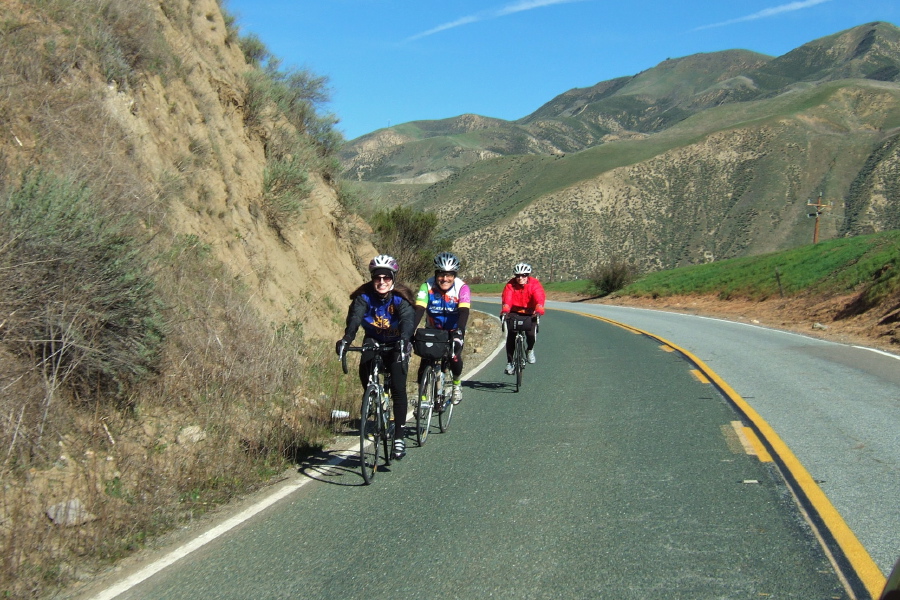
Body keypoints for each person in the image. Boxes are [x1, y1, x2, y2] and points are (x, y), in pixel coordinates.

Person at [336, 254, 415, 459]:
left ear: (393, 278)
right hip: (373, 340)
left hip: (396, 342)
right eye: (377, 278)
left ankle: (398, 436)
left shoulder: (400, 298)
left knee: (398, 387)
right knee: (365, 367)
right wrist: (346, 339)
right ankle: (372, 397)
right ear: (372, 278)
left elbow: (407, 320)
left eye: (386, 278)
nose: (381, 282)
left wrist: (405, 340)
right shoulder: (363, 298)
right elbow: (355, 319)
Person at [414, 252, 471, 404]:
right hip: (433, 329)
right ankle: (423, 397)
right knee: (425, 359)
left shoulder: (462, 288)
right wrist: (409, 330)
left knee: (454, 357)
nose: (445, 279)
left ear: (454, 275)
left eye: (449, 275)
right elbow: (419, 309)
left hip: (453, 329)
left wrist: (460, 331)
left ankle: (456, 385)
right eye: (441, 274)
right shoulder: (427, 286)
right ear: (436, 273)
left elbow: (464, 311)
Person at [500, 262, 546, 375]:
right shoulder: (510, 285)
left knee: (531, 334)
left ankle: (529, 350)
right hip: (514, 312)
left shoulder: (534, 284)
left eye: (524, 275)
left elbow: (539, 297)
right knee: (511, 336)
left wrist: (539, 309)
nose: (520, 278)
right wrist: (505, 310)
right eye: (517, 276)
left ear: (528, 275)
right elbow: (507, 299)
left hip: (530, 313)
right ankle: (510, 362)